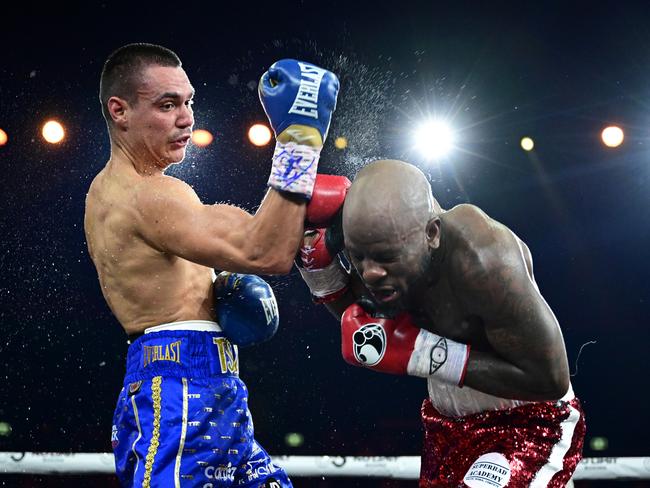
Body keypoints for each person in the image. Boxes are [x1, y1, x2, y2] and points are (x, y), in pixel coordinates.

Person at [84, 42, 348, 487]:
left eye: (188, 101)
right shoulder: (144, 198)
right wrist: (299, 140)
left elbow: (263, 233)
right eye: (167, 105)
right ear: (119, 111)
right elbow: (266, 253)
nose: (186, 118)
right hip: (178, 396)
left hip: (212, 389)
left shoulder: (144, 192)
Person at [297, 159, 586, 487]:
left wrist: (422, 354)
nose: (372, 272)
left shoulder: (484, 260)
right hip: (444, 423)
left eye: (386, 258)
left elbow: (550, 380)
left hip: (527, 422)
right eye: (358, 257)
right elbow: (368, 330)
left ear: (431, 234)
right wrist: (321, 272)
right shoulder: (380, 245)